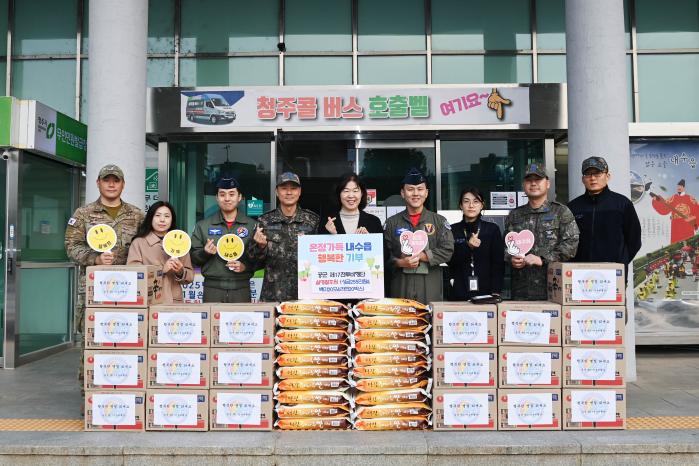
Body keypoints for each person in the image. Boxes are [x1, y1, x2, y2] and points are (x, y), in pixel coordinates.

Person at [64, 164, 144, 413]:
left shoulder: (136, 215)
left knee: (126, 339)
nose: (111, 184)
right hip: (94, 289)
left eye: (116, 180)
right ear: (98, 183)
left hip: (128, 291)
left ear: (123, 184)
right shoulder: (84, 214)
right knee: (92, 341)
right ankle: (90, 396)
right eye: (106, 180)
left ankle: (123, 394)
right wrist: (95, 259)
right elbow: (71, 247)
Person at [505, 163, 579, 301]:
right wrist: (512, 258)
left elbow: (571, 245)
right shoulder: (514, 215)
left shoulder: (560, 212)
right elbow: (506, 246)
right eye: (529, 180)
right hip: (521, 291)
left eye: (538, 179)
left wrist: (542, 259)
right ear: (523, 185)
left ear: (548, 183)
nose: (533, 184)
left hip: (553, 290)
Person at [383, 168, 454, 304]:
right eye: (410, 189)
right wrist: (400, 262)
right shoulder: (392, 223)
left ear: (426, 193)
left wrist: (423, 255)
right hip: (401, 284)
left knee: (429, 319)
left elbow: (448, 250)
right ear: (403, 193)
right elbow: (383, 255)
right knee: (402, 320)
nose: (415, 193)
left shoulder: (439, 221)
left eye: (420, 189)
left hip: (430, 285)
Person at [568, 157, 642, 283]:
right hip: (580, 276)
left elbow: (634, 240)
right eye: (588, 174)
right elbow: (567, 241)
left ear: (607, 176)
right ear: (582, 179)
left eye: (597, 173)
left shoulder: (622, 204)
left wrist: (621, 263)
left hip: (612, 276)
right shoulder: (573, 207)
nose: (592, 178)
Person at [249, 172, 320, 302]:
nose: (289, 193)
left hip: (304, 296)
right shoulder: (264, 221)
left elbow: (321, 259)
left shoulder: (312, 221)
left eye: (293, 188)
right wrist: (261, 246)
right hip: (272, 295)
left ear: (299, 192)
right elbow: (253, 262)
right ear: (277, 192)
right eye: (284, 188)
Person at [190, 176, 258, 303]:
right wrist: (205, 252)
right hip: (212, 289)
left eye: (232, 194)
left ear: (239, 197)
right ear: (216, 198)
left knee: (241, 322)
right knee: (212, 323)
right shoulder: (203, 226)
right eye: (222, 194)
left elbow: (260, 259)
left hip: (241, 289)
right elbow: (193, 258)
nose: (227, 198)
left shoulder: (252, 225)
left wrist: (245, 267)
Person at [127, 201, 194, 303]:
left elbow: (190, 276)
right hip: (149, 299)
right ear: (150, 218)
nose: (162, 220)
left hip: (174, 301)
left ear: (172, 220)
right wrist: (161, 271)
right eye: (157, 215)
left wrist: (180, 271)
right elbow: (133, 275)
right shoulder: (139, 243)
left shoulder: (180, 242)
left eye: (167, 216)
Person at [448, 187, 504, 300]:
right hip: (459, 291)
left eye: (476, 201)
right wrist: (467, 246)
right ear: (460, 205)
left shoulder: (492, 229)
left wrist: (496, 291)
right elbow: (450, 261)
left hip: (486, 291)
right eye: (466, 201)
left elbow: (498, 263)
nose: (471, 205)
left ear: (482, 205)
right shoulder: (452, 230)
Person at [651, 178, 699, 244]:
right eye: (678, 186)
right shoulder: (672, 198)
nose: (679, 188)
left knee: (689, 244)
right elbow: (664, 208)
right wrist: (657, 200)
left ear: (684, 187)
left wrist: (692, 219)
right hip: (676, 225)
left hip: (687, 225)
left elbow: (697, 212)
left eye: (680, 186)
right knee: (676, 245)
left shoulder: (691, 199)